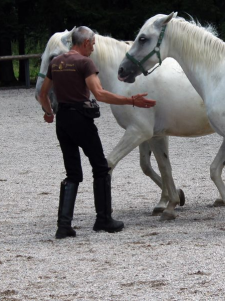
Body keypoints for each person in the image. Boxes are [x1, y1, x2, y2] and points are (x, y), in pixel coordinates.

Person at [38, 26, 156, 237]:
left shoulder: (56, 63)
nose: (93, 48)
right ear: (84, 43)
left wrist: (49, 113)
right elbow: (100, 94)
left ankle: (63, 225)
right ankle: (103, 218)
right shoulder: (85, 63)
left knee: (73, 173)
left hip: (63, 121)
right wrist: (131, 100)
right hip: (81, 119)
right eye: (92, 44)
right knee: (100, 168)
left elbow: (43, 93)